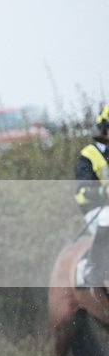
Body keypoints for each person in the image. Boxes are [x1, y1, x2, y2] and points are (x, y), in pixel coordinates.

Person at [74, 103, 109, 287]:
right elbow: (82, 192)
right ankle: (92, 269)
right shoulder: (87, 156)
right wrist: (104, 191)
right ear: (105, 130)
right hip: (96, 209)